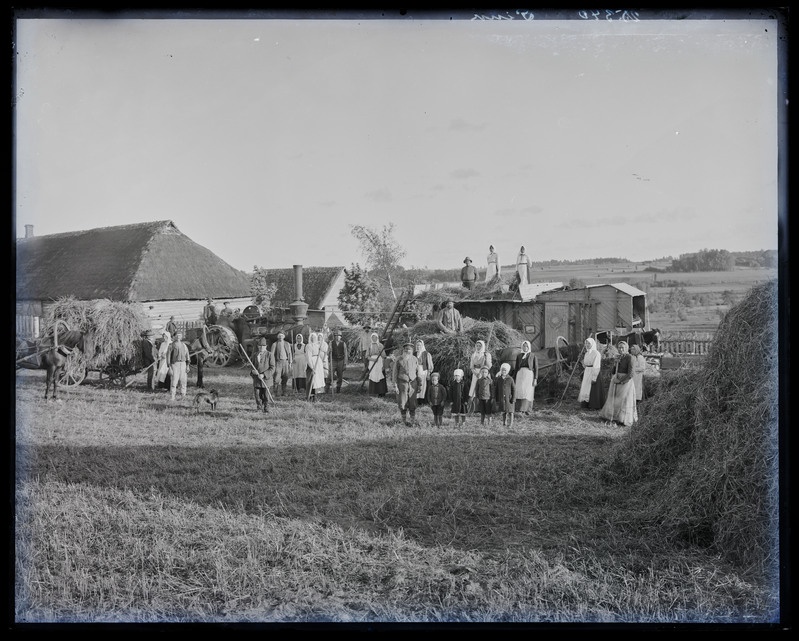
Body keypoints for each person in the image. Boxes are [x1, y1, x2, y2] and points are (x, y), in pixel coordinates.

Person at [599, 341, 638, 426]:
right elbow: (613, 371)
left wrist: (620, 381)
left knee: (623, 401)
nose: (620, 349)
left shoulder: (630, 358)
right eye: (619, 347)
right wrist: (615, 363)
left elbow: (631, 374)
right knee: (614, 399)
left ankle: (622, 419)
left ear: (626, 348)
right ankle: (614, 416)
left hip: (625, 382)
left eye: (622, 348)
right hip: (616, 379)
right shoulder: (618, 357)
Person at [392, 342, 421, 426]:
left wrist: (419, 384)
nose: (408, 351)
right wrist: (395, 385)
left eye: (410, 349)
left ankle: (412, 421)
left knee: (413, 402)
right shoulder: (399, 359)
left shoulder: (415, 359)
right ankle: (404, 421)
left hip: (413, 384)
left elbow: (418, 372)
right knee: (402, 402)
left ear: (412, 350)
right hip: (402, 384)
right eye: (406, 349)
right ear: (403, 350)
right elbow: (394, 373)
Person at [578, 337, 605, 410]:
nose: (587, 345)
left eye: (589, 343)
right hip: (587, 372)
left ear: (592, 344)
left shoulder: (596, 353)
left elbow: (596, 366)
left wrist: (594, 377)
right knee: (586, 388)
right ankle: (586, 404)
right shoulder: (586, 353)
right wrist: (581, 361)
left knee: (593, 388)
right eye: (586, 343)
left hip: (594, 372)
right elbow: (585, 365)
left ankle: (594, 405)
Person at [250, 337, 275, 413]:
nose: (261, 347)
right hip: (257, 379)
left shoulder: (270, 355)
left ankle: (266, 407)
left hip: (266, 380)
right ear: (258, 346)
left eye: (263, 346)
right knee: (257, 395)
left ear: (266, 346)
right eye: (260, 345)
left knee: (266, 395)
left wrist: (264, 375)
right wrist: (253, 371)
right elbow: (252, 366)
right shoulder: (255, 355)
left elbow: (272, 368)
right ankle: (259, 407)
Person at [514, 341, 539, 414]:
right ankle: (519, 409)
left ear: (529, 347)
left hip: (529, 375)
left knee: (528, 392)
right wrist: (514, 378)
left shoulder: (533, 356)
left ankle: (527, 409)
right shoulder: (519, 356)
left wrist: (535, 379)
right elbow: (516, 368)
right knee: (520, 391)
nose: (525, 348)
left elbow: (536, 368)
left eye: (526, 346)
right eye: (524, 346)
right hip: (520, 374)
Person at [166, 330, 191, 401]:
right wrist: (169, 367)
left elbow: (187, 356)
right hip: (175, 364)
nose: (178, 337)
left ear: (182, 336)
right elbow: (168, 357)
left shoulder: (184, 345)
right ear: (174, 337)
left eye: (180, 335)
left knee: (183, 381)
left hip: (183, 364)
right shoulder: (171, 346)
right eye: (176, 335)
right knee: (174, 381)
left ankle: (183, 395)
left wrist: (187, 365)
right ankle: (172, 396)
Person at [270, 330, 293, 396]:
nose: (280, 337)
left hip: (285, 362)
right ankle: (275, 392)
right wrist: (272, 364)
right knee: (276, 378)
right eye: (279, 335)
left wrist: (290, 362)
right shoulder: (275, 344)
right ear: (277, 336)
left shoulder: (287, 344)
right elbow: (272, 355)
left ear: (284, 336)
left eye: (282, 335)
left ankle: (284, 392)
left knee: (285, 377)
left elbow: (289, 353)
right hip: (278, 362)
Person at [305, 332, 326, 401]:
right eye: (312, 337)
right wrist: (312, 367)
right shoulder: (308, 346)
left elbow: (325, 349)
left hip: (318, 363)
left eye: (314, 337)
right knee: (311, 380)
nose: (313, 338)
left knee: (317, 380)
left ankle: (316, 395)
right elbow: (308, 357)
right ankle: (309, 395)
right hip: (312, 363)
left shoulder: (317, 345)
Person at [366, 332, 388, 397]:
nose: (374, 339)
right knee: (373, 376)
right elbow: (367, 356)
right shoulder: (369, 345)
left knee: (380, 376)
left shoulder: (380, 345)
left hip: (379, 362)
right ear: (371, 338)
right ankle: (373, 392)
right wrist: (373, 360)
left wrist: (383, 365)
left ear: (377, 338)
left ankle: (381, 392)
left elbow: (384, 356)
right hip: (372, 362)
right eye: (373, 337)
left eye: (375, 337)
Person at [495, 362, 516, 427]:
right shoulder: (499, 379)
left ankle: (510, 423)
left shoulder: (510, 379)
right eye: (502, 370)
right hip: (502, 398)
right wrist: (497, 398)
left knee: (510, 411)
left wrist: (513, 398)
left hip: (509, 398)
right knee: (504, 411)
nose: (503, 371)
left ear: (508, 371)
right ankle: (504, 422)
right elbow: (497, 389)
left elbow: (514, 389)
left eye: (505, 370)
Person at [414, 340, 433, 405]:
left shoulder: (426, 354)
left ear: (422, 346)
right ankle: (416, 399)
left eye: (419, 345)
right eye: (417, 345)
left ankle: (422, 400)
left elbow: (429, 365)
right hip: (415, 372)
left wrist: (428, 373)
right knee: (416, 385)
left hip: (423, 371)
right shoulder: (414, 354)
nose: (418, 347)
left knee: (423, 386)